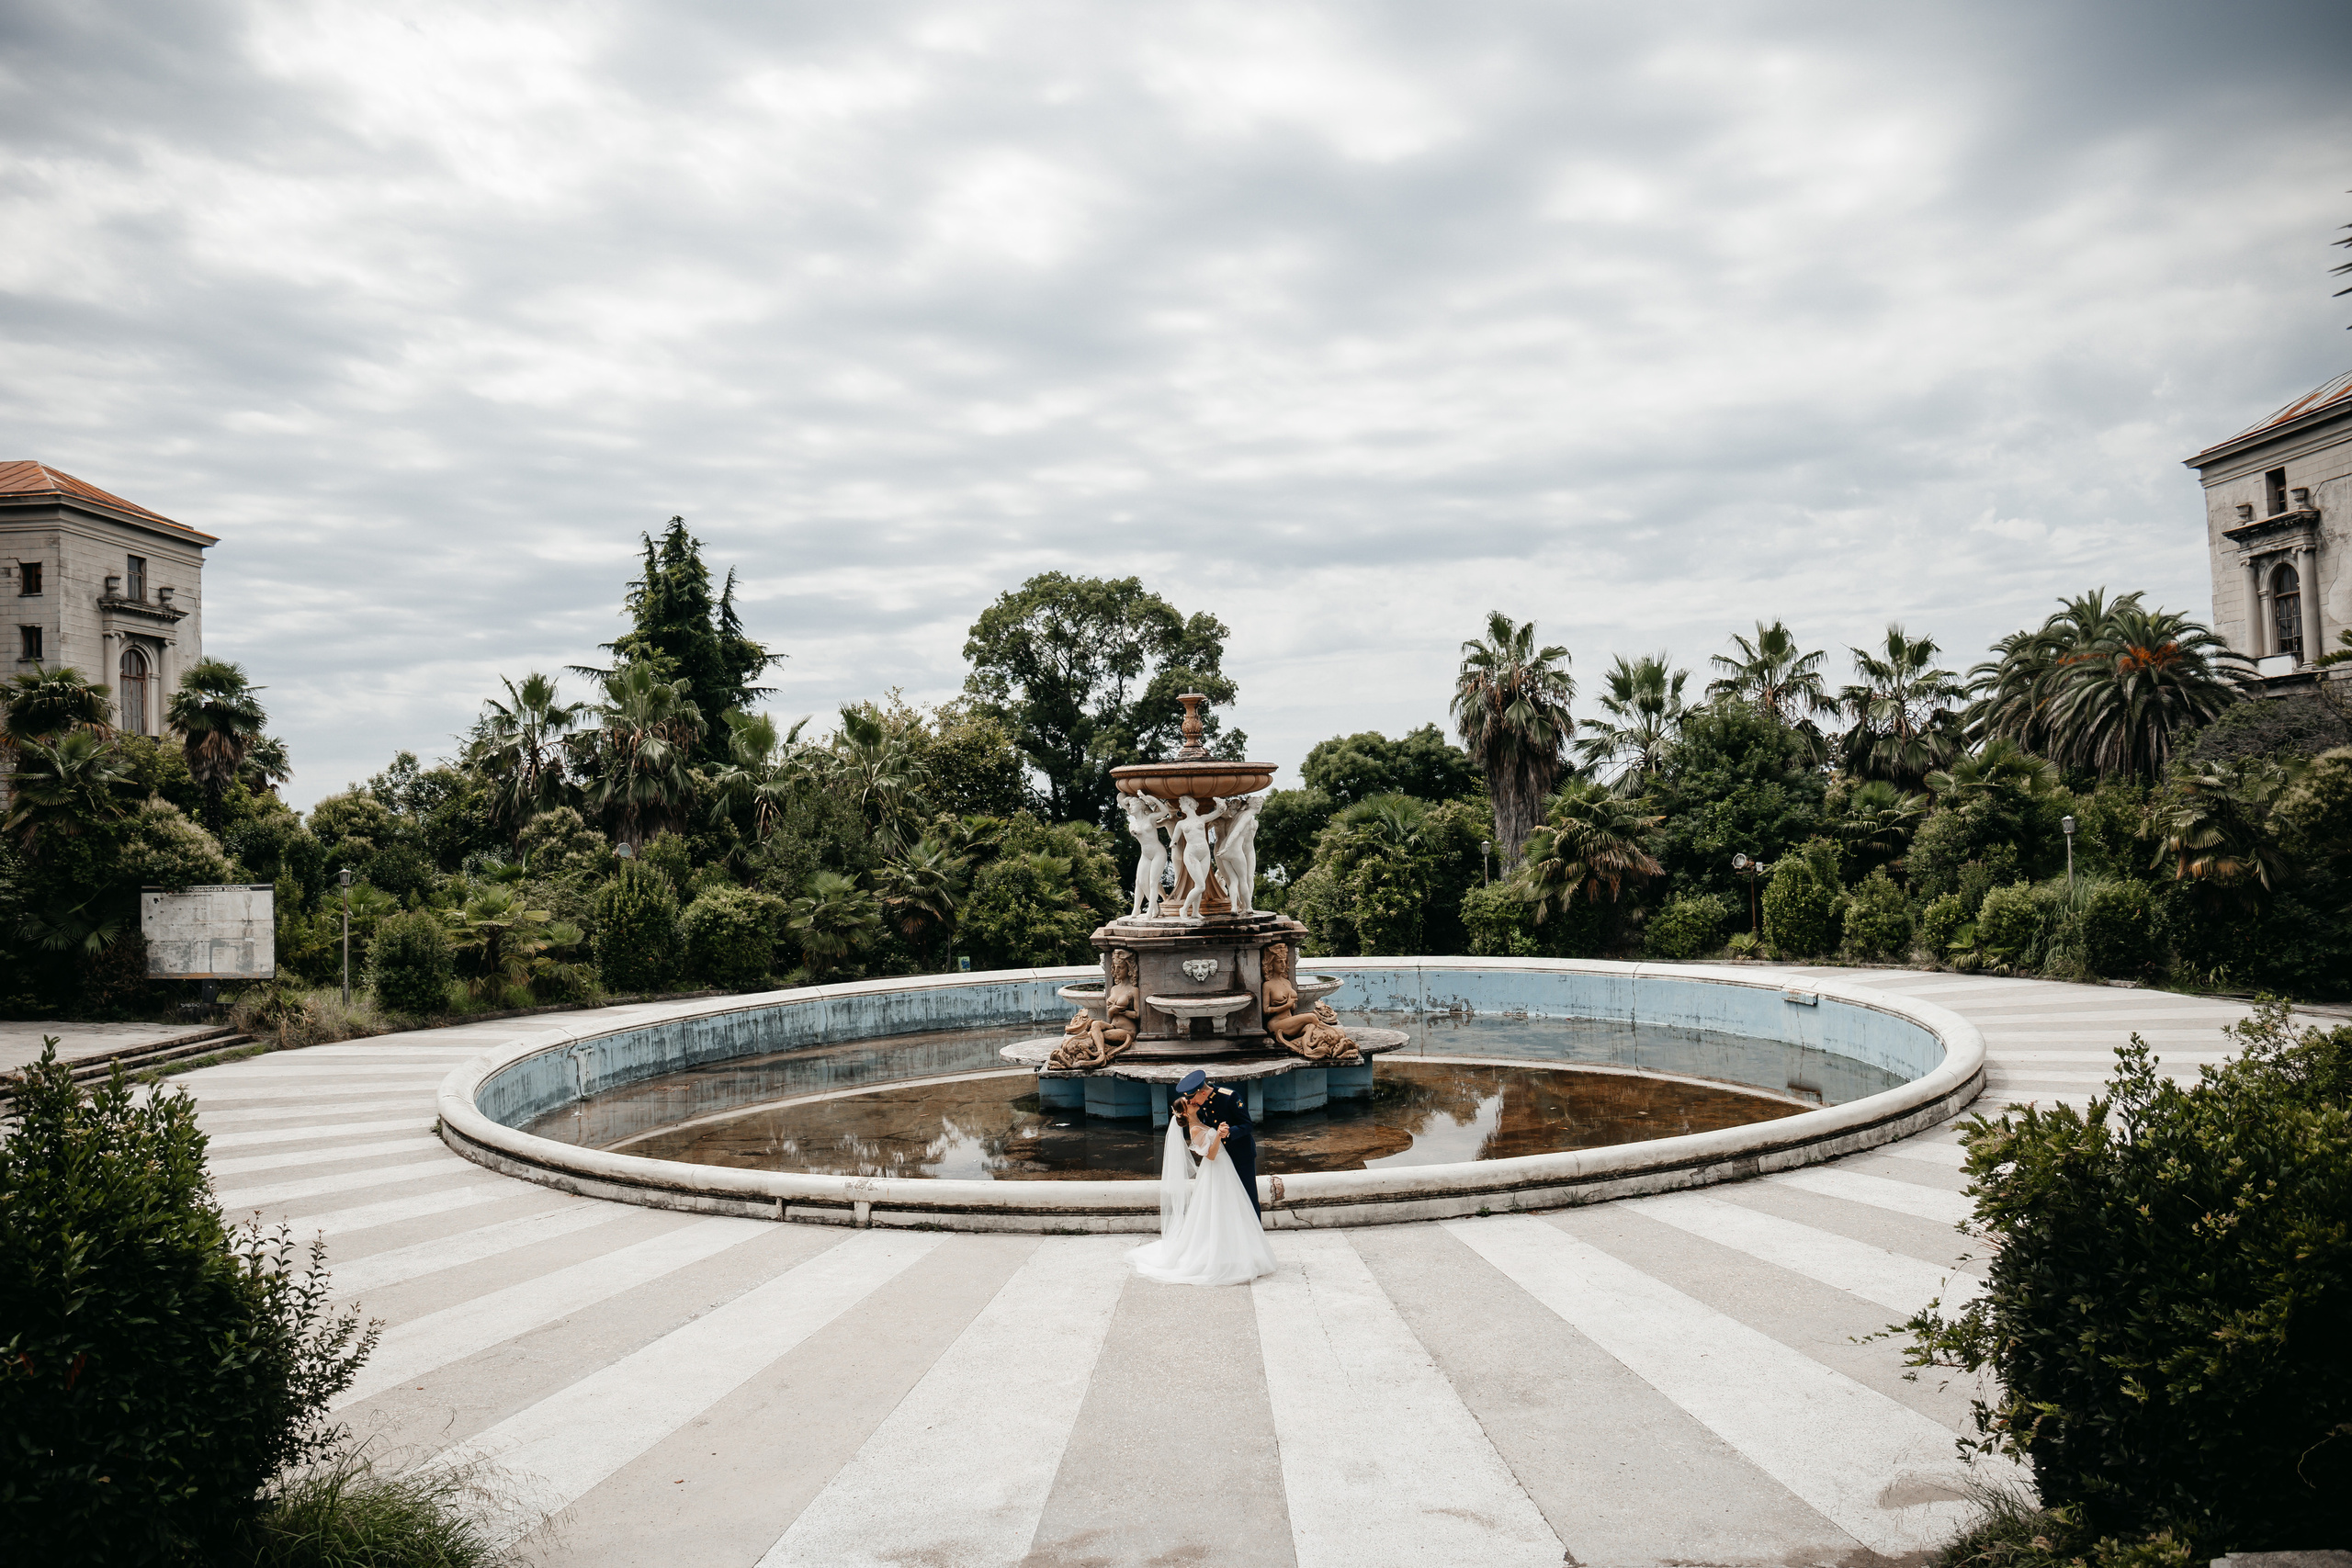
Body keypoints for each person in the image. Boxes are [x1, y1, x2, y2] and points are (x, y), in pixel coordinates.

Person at [1128, 1070, 1275, 1286]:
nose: (1192, 1102)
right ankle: (1230, 1251)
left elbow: (1247, 1125)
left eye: (1193, 1098)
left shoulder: (1229, 1097)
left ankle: (1255, 1251)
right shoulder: (1199, 1106)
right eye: (1190, 1100)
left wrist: (1229, 1132)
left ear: (1202, 1092)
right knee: (1222, 1207)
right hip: (1219, 1163)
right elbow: (1203, 1136)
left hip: (1240, 1156)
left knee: (1249, 1202)